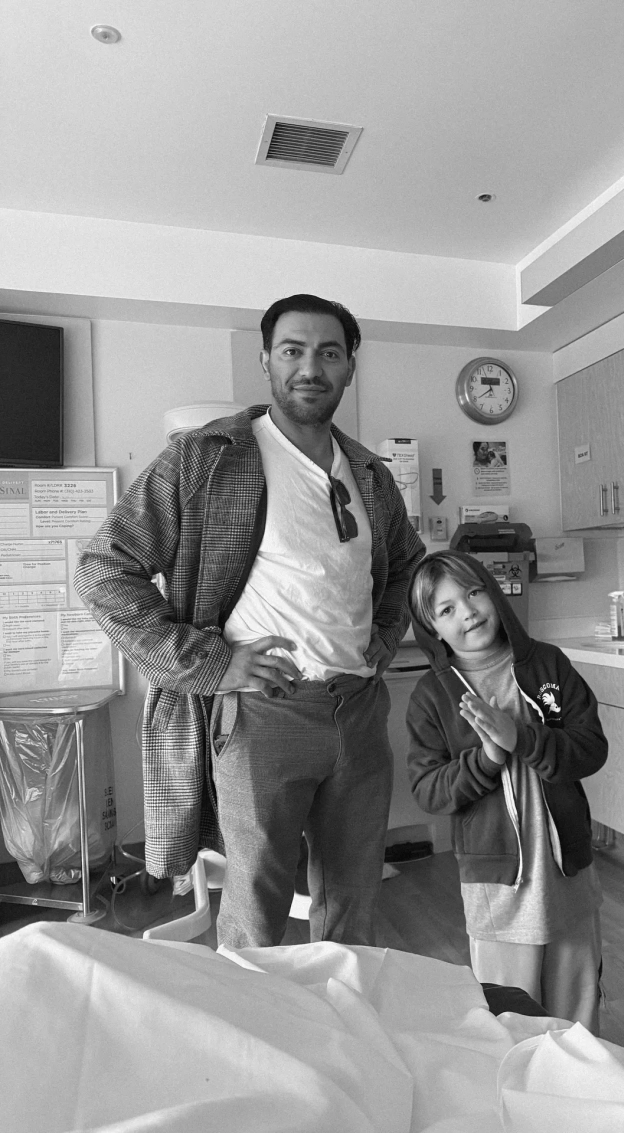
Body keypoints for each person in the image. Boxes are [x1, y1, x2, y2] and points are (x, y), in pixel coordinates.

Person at [75, 293, 425, 950]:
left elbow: (406, 562)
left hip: (359, 711)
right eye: (293, 350)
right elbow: (104, 569)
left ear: (350, 366)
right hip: (264, 714)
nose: (310, 368)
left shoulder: (370, 474)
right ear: (266, 360)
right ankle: (249, 1015)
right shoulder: (207, 458)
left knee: (353, 902)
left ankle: (338, 1012)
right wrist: (213, 663)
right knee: (256, 908)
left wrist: (383, 638)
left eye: (329, 352)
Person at [406, 549, 608, 1031]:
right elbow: (430, 790)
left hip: (568, 875)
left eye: (474, 593)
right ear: (433, 629)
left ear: (493, 593)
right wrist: (487, 758)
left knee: (578, 1017)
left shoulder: (548, 665)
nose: (468, 612)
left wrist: (522, 738)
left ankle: (581, 1076)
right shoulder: (431, 697)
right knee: (511, 1019)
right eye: (447, 609)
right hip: (495, 888)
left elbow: (590, 748)